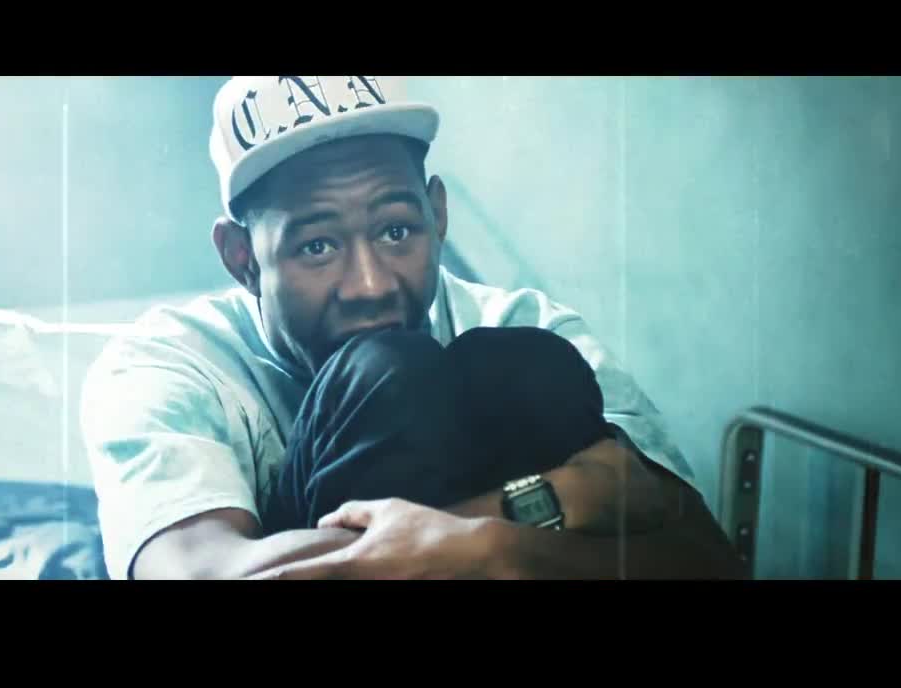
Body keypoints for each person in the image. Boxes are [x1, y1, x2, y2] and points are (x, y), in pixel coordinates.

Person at [80, 75, 744, 580]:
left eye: (396, 231)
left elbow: (706, 560)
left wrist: (491, 547)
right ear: (242, 259)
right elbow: (200, 573)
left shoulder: (526, 323)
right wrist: (547, 504)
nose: (371, 285)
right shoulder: (166, 365)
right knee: (390, 373)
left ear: (437, 216)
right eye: (317, 246)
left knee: (528, 367)